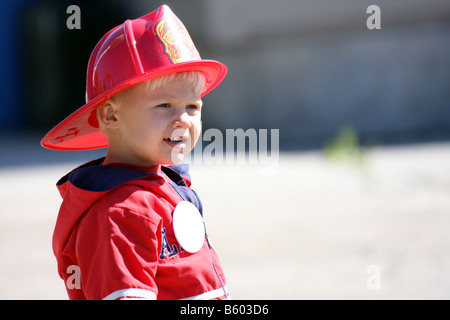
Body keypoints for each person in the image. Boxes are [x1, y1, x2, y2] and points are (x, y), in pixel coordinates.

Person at [41, 5, 229, 300]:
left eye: (193, 107)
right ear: (111, 116)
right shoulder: (121, 213)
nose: (183, 119)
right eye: (164, 105)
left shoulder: (164, 186)